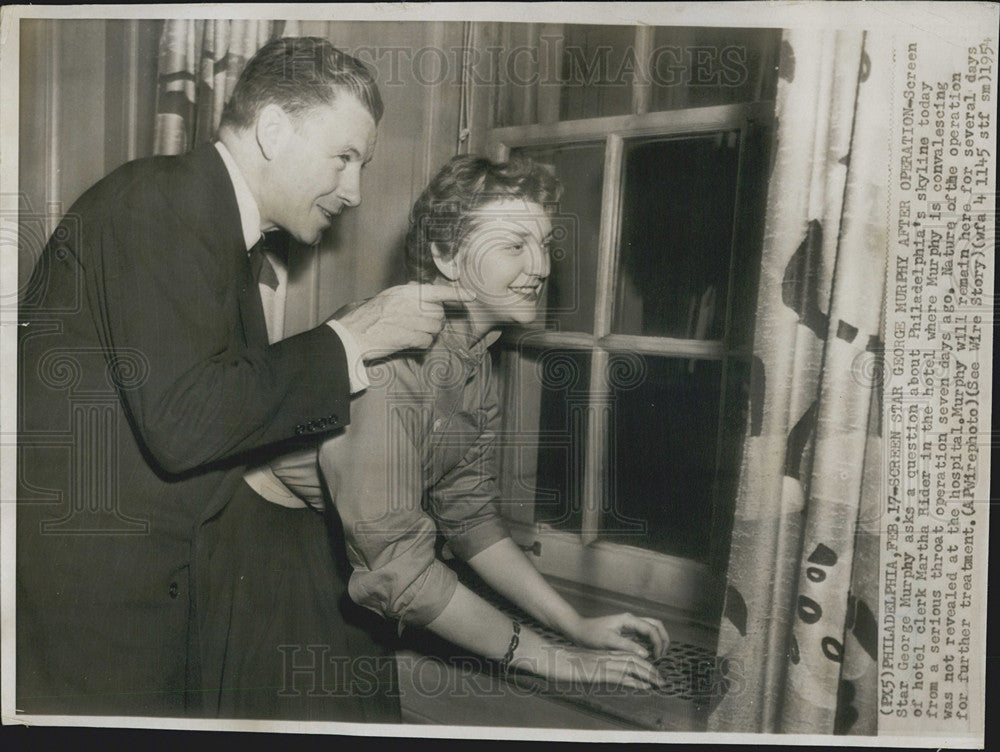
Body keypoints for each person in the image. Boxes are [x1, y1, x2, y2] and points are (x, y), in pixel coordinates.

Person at [16, 37, 467, 719]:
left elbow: (223, 412)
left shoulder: (213, 225)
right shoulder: (161, 201)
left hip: (158, 592)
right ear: (273, 128)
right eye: (343, 158)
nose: (354, 192)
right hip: (102, 617)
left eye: (363, 166)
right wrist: (354, 337)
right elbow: (184, 421)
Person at [264, 155, 670, 690]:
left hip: (339, 552)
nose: (542, 267)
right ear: (446, 256)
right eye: (513, 244)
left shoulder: (473, 357)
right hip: (261, 550)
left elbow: (470, 516)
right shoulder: (389, 362)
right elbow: (398, 570)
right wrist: (554, 658)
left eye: (545, 244)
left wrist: (574, 625)